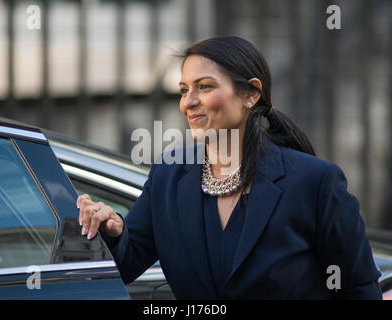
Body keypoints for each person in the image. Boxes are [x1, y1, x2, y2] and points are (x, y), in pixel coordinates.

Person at [76, 36, 382, 299]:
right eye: (184, 90)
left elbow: (359, 289)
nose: (188, 102)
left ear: (250, 94)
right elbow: (127, 263)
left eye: (204, 87)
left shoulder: (314, 182)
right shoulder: (168, 175)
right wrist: (113, 231)